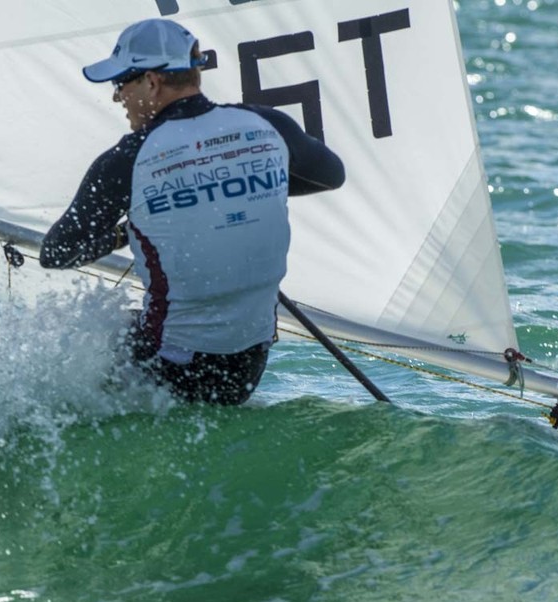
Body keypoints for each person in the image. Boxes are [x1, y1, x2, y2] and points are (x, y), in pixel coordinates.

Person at [39, 18, 345, 405]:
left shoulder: (128, 160)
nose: (117, 97)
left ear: (152, 82)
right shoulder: (268, 125)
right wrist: (230, 195)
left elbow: (57, 253)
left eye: (121, 84)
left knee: (77, 333)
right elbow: (330, 176)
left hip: (173, 371)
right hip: (248, 368)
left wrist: (123, 232)